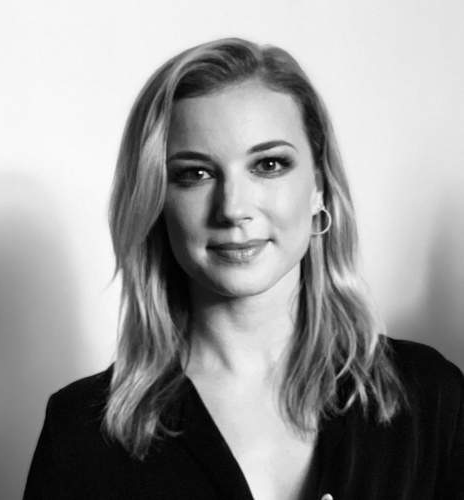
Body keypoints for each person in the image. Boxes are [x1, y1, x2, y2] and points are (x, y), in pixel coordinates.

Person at [23, 37, 464, 500]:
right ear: (155, 201)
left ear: (318, 187)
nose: (233, 208)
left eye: (269, 164)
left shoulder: (430, 396)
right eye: (195, 174)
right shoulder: (83, 432)